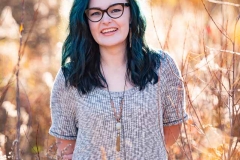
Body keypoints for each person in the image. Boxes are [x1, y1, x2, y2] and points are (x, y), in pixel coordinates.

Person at [49, 0, 188, 159]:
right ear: (85, 21)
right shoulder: (71, 77)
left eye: (115, 10)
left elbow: (171, 131)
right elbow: (66, 151)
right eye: (95, 13)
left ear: (131, 14)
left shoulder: (162, 66)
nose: (106, 20)